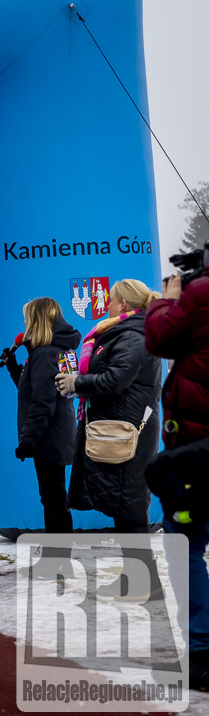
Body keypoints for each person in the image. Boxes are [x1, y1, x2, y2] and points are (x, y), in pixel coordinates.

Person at [145, 257, 209, 689]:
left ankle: (202, 652)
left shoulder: (200, 295)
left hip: (196, 454)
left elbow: (160, 337)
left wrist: (166, 300)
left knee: (185, 546)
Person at [56, 279, 161, 533]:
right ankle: (133, 560)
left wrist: (76, 383)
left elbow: (115, 380)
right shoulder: (126, 332)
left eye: (111, 301)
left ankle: (138, 561)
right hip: (120, 430)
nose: (107, 306)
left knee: (130, 508)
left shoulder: (131, 335)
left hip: (129, 432)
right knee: (123, 505)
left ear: (122, 304)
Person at [2, 298, 79, 532]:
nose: (24, 323)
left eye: (27, 318)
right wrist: (14, 367)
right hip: (56, 433)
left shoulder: (45, 354)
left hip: (48, 436)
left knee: (53, 499)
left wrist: (28, 440)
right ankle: (58, 549)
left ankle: (59, 550)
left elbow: (43, 403)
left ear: (37, 320)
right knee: (53, 497)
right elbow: (35, 391)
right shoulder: (55, 350)